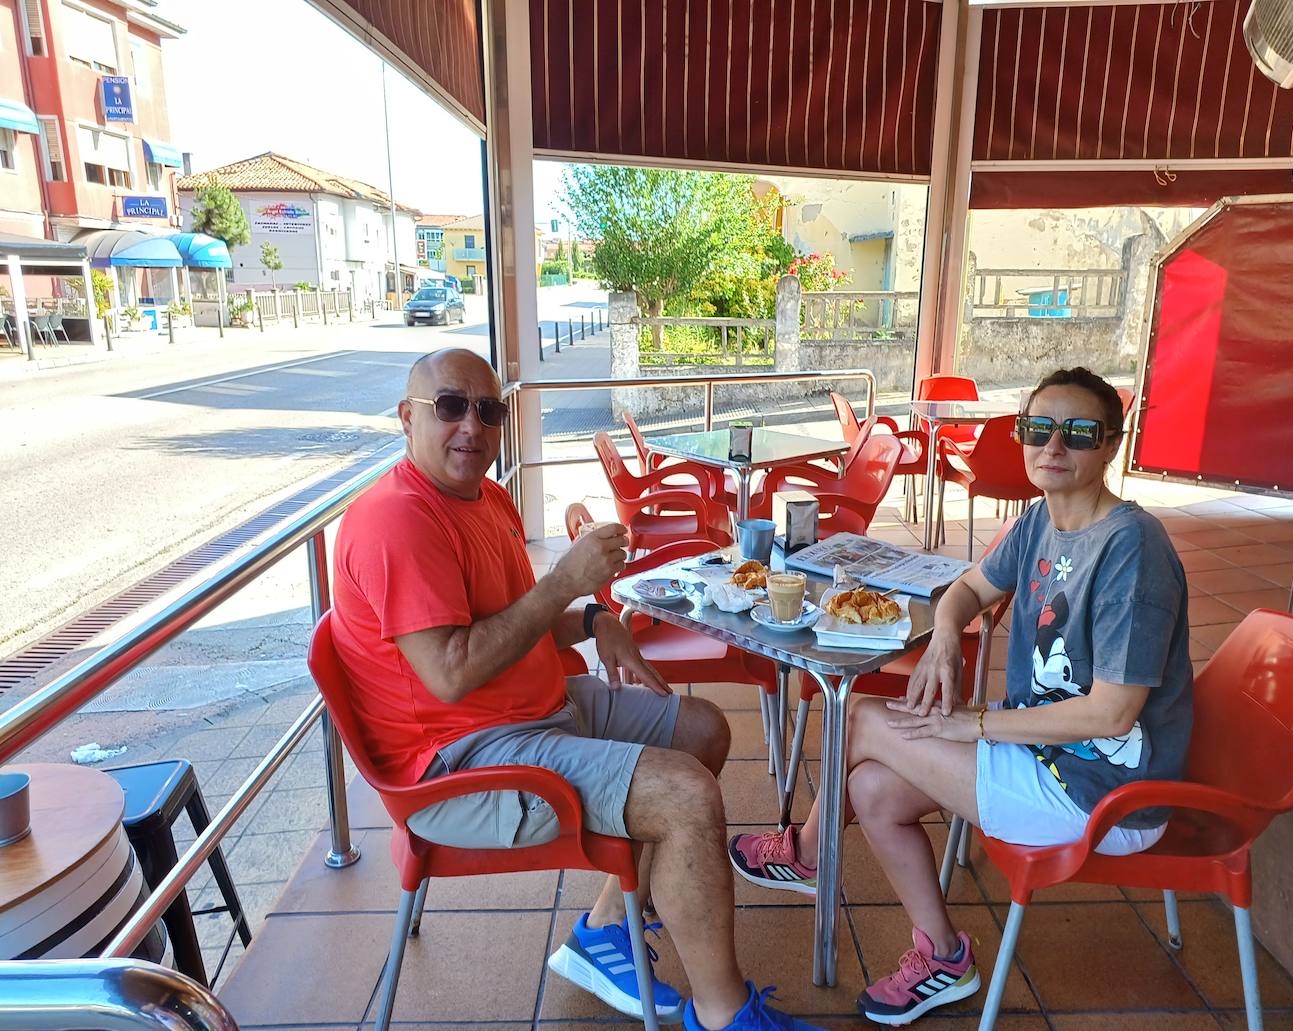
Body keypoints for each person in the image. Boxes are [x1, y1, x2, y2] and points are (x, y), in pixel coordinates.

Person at [330, 348, 822, 1031]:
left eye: (489, 409)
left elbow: (504, 622)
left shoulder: (485, 496)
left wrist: (591, 619)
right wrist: (565, 582)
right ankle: (725, 1015)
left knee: (705, 729)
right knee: (684, 794)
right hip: (461, 760)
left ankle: (603, 931)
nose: (471, 425)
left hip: (536, 710)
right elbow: (451, 669)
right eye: (450, 406)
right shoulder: (398, 521)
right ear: (407, 418)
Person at [728, 367, 1193, 1024]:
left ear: (1112, 445)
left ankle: (806, 853)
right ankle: (944, 956)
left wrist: (975, 723)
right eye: (1038, 429)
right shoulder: (1040, 520)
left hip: (1102, 788)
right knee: (870, 792)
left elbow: (1112, 712)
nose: (1053, 446)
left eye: (1079, 433)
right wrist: (947, 630)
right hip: (1047, 747)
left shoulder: (1130, 549)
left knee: (859, 716)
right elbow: (967, 589)